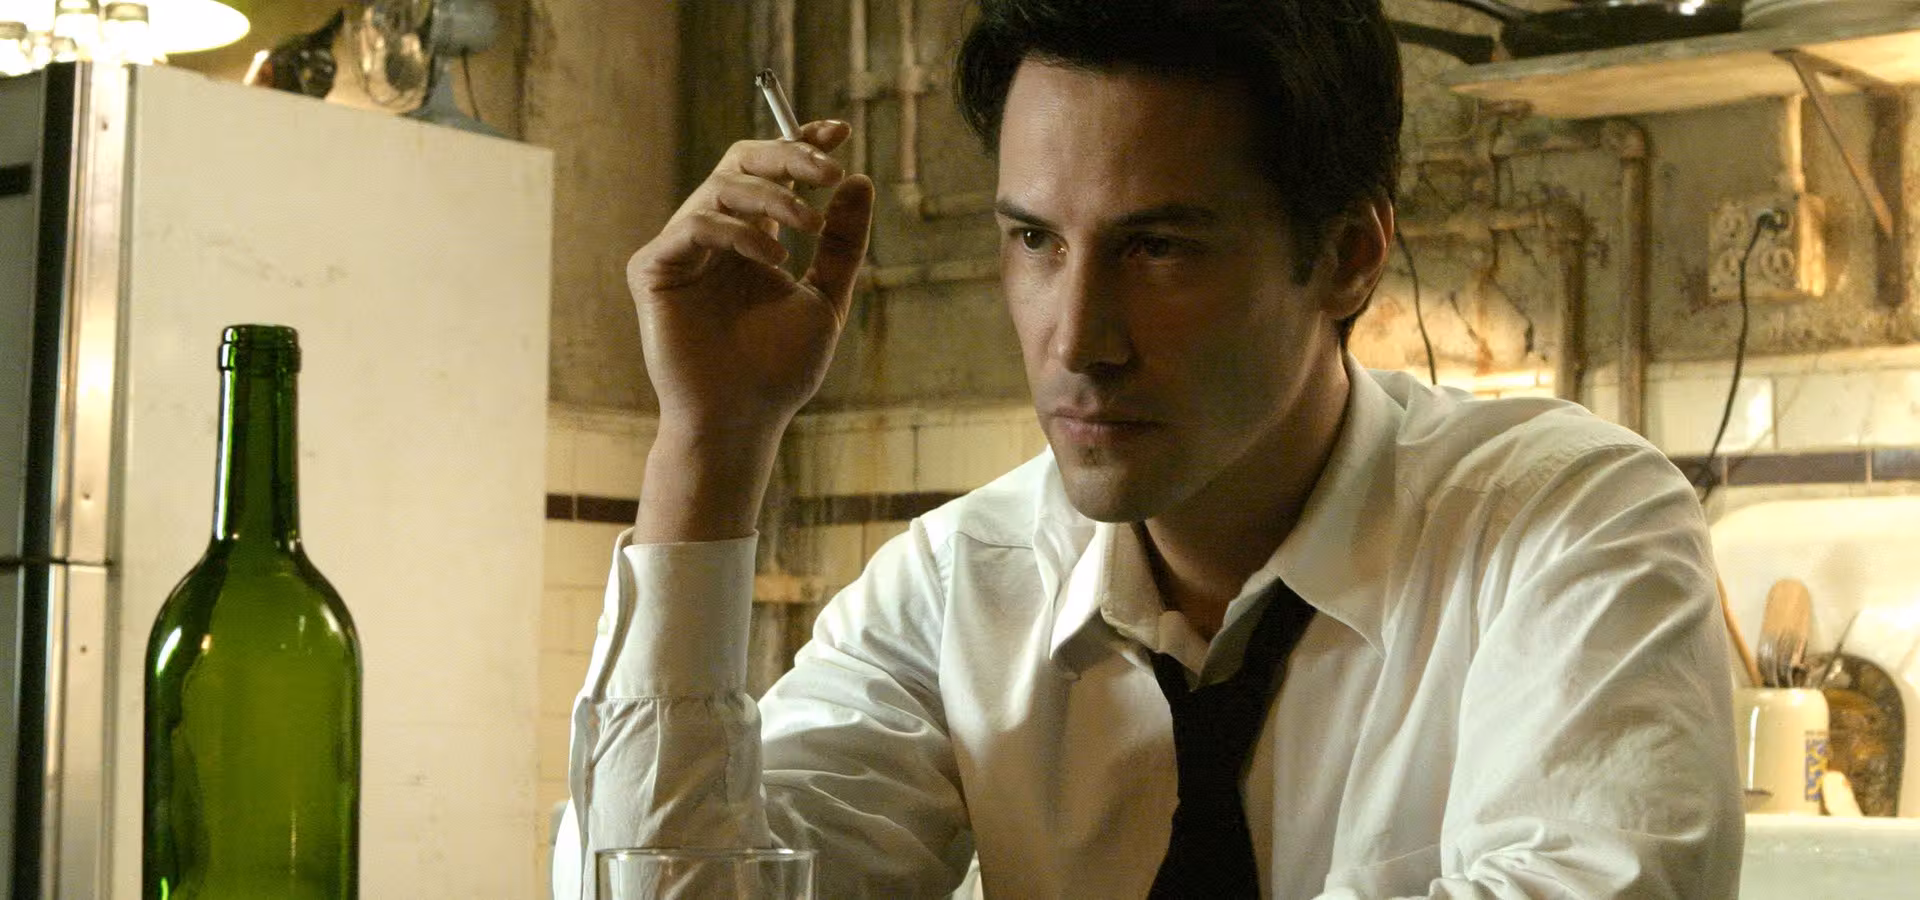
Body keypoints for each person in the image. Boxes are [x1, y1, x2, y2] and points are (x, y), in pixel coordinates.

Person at [553, 0, 1744, 896]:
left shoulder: (1568, 521)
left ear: (1348, 257)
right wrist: (711, 440)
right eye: (1035, 240)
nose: (1077, 340)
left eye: (1159, 249)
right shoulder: (959, 586)